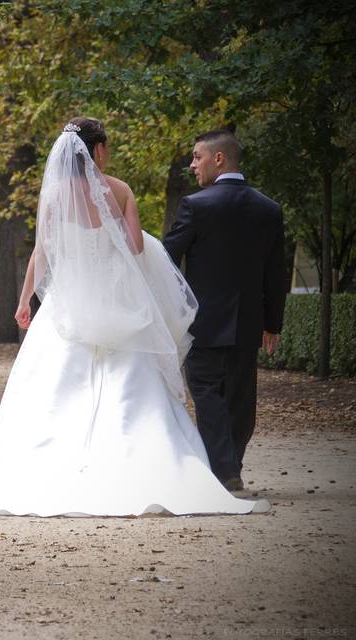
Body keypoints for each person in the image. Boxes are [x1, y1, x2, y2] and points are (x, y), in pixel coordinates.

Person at [0, 118, 267, 517]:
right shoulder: (121, 190)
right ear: (99, 150)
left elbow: (42, 253)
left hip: (68, 305)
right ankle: (147, 464)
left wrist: (25, 302)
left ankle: (52, 468)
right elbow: (135, 249)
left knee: (53, 387)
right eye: (107, 145)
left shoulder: (55, 195)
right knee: (133, 387)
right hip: (116, 301)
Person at [162, 129, 286, 491]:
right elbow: (274, 272)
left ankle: (225, 471)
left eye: (197, 156)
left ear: (219, 159)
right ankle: (231, 466)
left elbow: (169, 258)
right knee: (240, 398)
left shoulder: (196, 206)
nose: (192, 164)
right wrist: (272, 324)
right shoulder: (269, 209)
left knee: (206, 394)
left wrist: (168, 306)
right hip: (248, 324)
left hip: (203, 322)